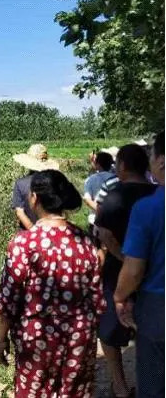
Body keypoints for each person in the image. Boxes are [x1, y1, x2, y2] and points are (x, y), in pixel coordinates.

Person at [0, 170, 105, 397]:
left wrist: (1, 339)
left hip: (37, 339)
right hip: (79, 338)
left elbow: (8, 299)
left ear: (34, 198)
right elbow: (96, 298)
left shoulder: (24, 243)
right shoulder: (84, 240)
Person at [95, 144, 157, 398]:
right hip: (155, 273)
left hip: (118, 275)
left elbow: (104, 235)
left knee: (109, 331)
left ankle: (119, 385)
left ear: (121, 166)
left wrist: (124, 258)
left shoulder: (111, 197)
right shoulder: (158, 194)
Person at [114, 131, 165, 398]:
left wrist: (120, 296)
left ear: (161, 162)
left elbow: (134, 269)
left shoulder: (148, 209)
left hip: (158, 305)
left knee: (154, 380)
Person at [12, 144, 59, 230]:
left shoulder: (20, 183)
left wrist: (33, 231)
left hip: (27, 233)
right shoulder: (53, 182)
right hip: (50, 231)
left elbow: (19, 213)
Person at [82, 151, 115, 226]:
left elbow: (87, 200)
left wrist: (100, 211)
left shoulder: (90, 180)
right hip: (114, 220)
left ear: (97, 164)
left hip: (95, 219)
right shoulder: (116, 178)